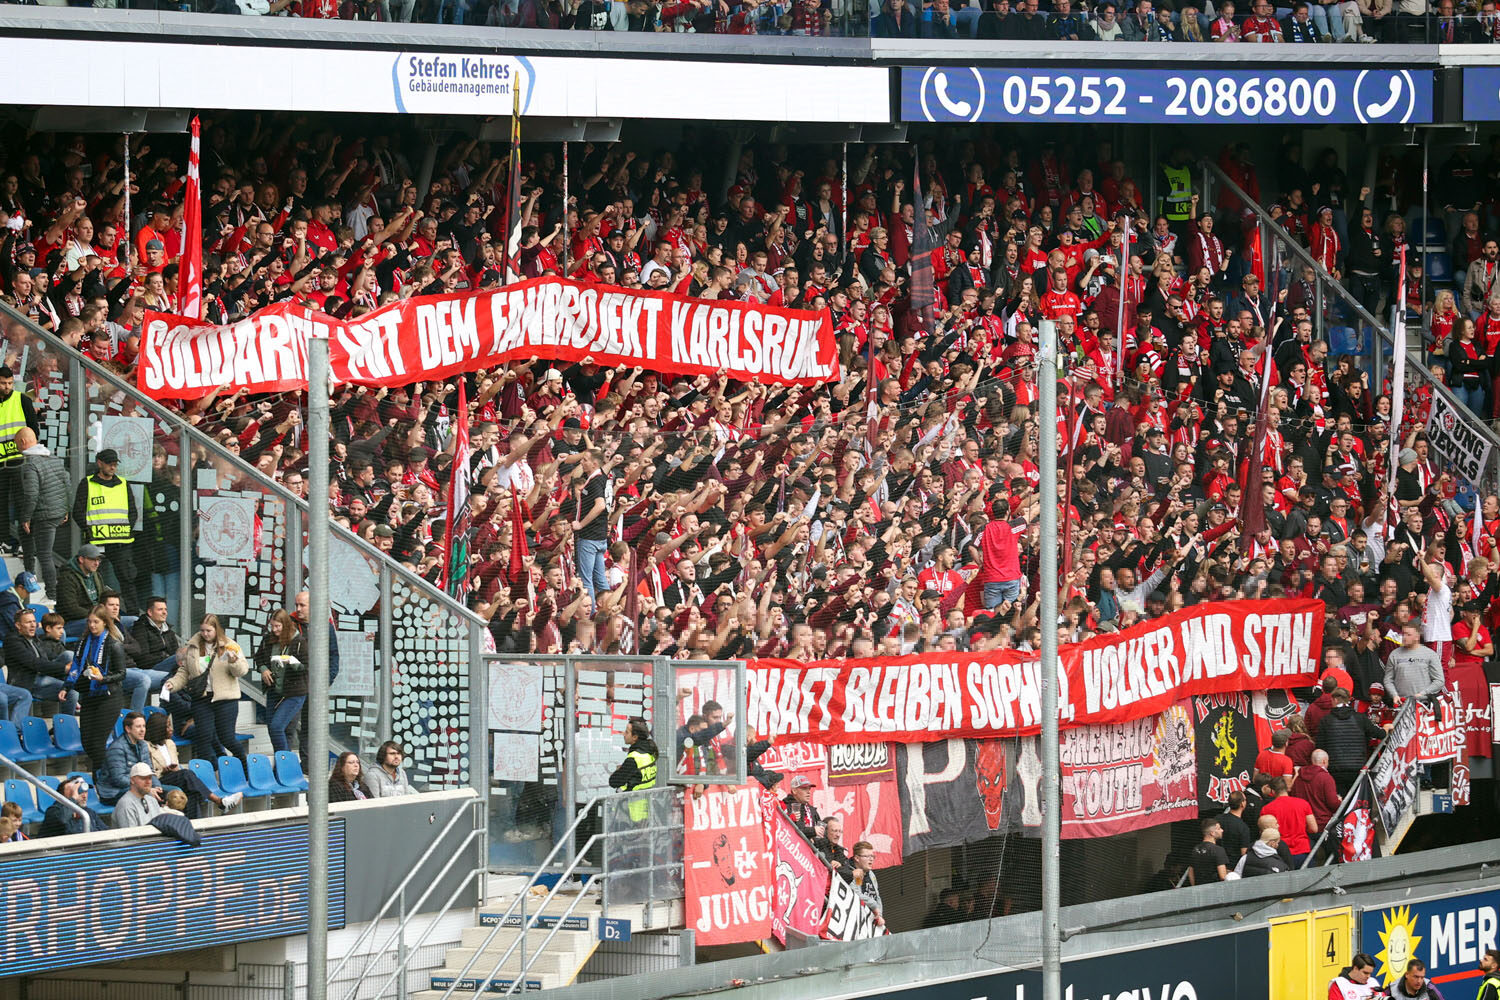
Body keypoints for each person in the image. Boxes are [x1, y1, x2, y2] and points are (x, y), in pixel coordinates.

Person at [162, 614, 250, 767]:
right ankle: (207, 774)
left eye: (209, 631)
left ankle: (245, 765)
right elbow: (184, 671)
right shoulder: (193, 646)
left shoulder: (229, 645)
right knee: (203, 737)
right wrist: (172, 683)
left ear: (217, 630)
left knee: (226, 738)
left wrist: (234, 661)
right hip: (201, 698)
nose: (205, 634)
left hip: (225, 699)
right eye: (202, 630)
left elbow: (242, 671)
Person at [72, 448, 140, 610]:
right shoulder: (87, 483)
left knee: (127, 579)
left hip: (121, 542)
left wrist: (126, 529)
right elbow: (77, 512)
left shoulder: (123, 484)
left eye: (115, 464)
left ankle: (133, 614)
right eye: (109, 464)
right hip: (97, 542)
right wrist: (89, 530)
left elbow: (132, 512)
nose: (113, 467)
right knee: (92, 579)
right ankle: (95, 612)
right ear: (99, 463)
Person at [144, 711, 240, 817]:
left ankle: (195, 824)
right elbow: (149, 771)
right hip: (159, 781)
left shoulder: (170, 744)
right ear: (158, 729)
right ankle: (219, 801)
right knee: (187, 774)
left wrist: (174, 770)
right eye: (167, 727)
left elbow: (176, 765)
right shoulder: (146, 746)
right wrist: (164, 770)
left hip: (175, 776)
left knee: (192, 791)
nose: (171, 729)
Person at [69, 605, 126, 770]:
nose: (92, 625)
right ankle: (108, 770)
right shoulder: (83, 642)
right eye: (89, 622)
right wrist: (67, 686)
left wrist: (104, 678)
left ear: (105, 623)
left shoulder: (114, 644)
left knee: (97, 742)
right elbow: (76, 665)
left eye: (96, 622)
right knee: (86, 741)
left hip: (109, 697)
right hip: (89, 695)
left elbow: (122, 673)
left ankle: (100, 777)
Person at [14, 426, 67, 598]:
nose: (17, 448)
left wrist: (25, 517)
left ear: (22, 442)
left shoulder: (29, 465)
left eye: (16, 444)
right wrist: (66, 509)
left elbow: (31, 494)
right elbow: (68, 486)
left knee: (42, 555)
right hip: (56, 512)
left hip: (41, 514)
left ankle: (49, 594)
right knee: (44, 554)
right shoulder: (55, 459)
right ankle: (39, 589)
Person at [254, 609, 308, 754]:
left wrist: (291, 661)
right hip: (274, 690)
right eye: (272, 626)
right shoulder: (268, 639)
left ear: (286, 625)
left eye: (278, 626)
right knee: (274, 729)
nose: (275, 630)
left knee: (277, 727)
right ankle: (282, 765)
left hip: (294, 693)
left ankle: (285, 764)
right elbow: (258, 657)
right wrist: (264, 669)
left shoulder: (298, 642)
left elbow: (306, 667)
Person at [0, 365, 41, 550]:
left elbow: (34, 428)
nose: (7, 387)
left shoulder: (22, 399)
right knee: (1, 505)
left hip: (20, 460)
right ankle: (4, 540)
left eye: (9, 383)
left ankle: (26, 543)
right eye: (2, 383)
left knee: (22, 502)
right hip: (1, 462)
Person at [1317, 688, 1387, 793]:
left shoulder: (1326, 720)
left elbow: (1320, 746)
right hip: (1357, 769)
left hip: (1335, 769)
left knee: (1339, 803)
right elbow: (1379, 734)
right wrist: (1386, 728)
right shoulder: (1360, 718)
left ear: (1335, 700)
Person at [123, 596, 181, 715]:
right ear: (150, 612)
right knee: (181, 658)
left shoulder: (168, 630)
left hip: (167, 667)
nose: (164, 612)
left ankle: (164, 712)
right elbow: (142, 658)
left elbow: (176, 651)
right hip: (150, 668)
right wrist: (164, 657)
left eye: (165, 609)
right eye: (160, 609)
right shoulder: (140, 628)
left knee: (181, 668)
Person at [607, 717, 658, 821]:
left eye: (627, 732)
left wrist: (619, 770)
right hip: (645, 807)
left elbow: (613, 782)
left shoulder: (633, 759)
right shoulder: (649, 754)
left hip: (630, 811)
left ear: (635, 737)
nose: (624, 734)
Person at [1260, 776, 1317, 867]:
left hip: (1280, 852)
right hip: (1303, 850)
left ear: (1273, 792)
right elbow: (1314, 829)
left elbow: (1265, 833)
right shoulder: (1303, 804)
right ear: (1287, 789)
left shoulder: (1266, 809)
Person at [1385, 622, 1445, 704]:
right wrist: (1394, 695)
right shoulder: (1394, 654)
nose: (1404, 637)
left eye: (1408, 635)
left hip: (1423, 704)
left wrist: (1423, 693)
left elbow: (1439, 680)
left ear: (1417, 637)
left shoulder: (1430, 654)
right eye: (1403, 634)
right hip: (1401, 703)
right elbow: (1388, 680)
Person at [56, 544, 106, 629]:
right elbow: (70, 608)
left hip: (96, 617)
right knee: (105, 624)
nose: (97, 563)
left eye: (98, 560)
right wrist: (96, 615)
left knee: (133, 621)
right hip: (73, 621)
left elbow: (104, 598)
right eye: (93, 559)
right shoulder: (67, 578)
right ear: (81, 559)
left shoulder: (96, 575)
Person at [1294, 749, 1341, 838]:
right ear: (1324, 761)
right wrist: (1339, 801)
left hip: (1303, 823)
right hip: (1322, 824)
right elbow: (1332, 803)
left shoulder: (1299, 777)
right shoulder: (1326, 778)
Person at [39, 774, 106, 837]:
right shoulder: (53, 811)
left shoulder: (88, 812)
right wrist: (74, 798)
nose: (84, 796)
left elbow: (106, 831)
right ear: (63, 795)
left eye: (85, 791)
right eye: (79, 792)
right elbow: (63, 820)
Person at [113, 761, 164, 829]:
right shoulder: (126, 804)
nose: (148, 782)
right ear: (132, 780)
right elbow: (130, 837)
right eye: (143, 778)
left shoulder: (152, 800)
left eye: (150, 778)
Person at [1188, 816, 1230, 884]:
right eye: (1219, 828)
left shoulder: (1195, 849)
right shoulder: (1218, 850)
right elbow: (1222, 876)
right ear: (1212, 833)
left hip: (1200, 889)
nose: (1222, 830)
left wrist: (1194, 887)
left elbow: (1191, 872)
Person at [783, 775, 823, 842]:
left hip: (813, 851)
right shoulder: (787, 807)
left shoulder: (811, 809)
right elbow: (795, 830)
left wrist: (815, 840)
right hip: (795, 849)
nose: (808, 792)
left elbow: (822, 830)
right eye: (804, 789)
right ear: (794, 791)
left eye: (809, 789)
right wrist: (813, 831)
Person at [852, 841, 883, 922]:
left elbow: (877, 896)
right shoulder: (854, 873)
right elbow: (857, 894)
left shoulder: (871, 874)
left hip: (873, 920)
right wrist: (874, 905)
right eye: (867, 856)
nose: (871, 859)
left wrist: (880, 915)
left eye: (872, 856)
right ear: (857, 858)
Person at [816, 814, 854, 881]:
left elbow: (848, 869)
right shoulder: (819, 845)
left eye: (840, 831)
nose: (838, 835)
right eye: (834, 831)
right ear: (824, 831)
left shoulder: (837, 849)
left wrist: (840, 866)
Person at [1219, 791, 1253, 861]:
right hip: (1233, 865)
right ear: (1242, 804)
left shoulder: (1217, 819)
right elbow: (1244, 853)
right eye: (1245, 800)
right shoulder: (1243, 827)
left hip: (1217, 863)